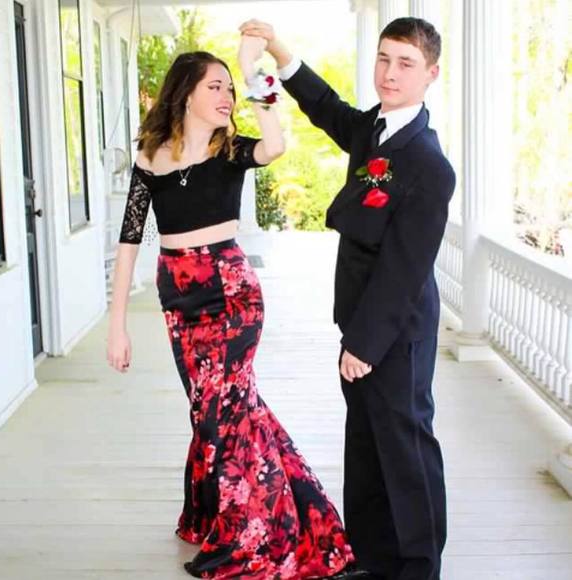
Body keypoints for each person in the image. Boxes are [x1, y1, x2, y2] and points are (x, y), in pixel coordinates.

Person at [106, 36, 354, 579]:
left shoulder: (232, 149)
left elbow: (276, 145)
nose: (226, 97)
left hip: (231, 293)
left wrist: (251, 70)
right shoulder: (150, 156)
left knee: (226, 411)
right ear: (186, 94)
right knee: (215, 410)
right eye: (215, 86)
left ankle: (259, 533)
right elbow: (128, 242)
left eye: (229, 88)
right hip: (178, 296)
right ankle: (273, 515)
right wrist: (116, 324)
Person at [240, 17, 455, 580]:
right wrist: (279, 50)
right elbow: (324, 105)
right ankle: (371, 558)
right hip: (358, 323)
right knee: (366, 444)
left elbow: (405, 269)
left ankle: (418, 567)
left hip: (395, 332)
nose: (390, 73)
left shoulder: (429, 165)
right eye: (384, 59)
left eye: (405, 63)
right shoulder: (372, 130)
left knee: (406, 449)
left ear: (431, 74)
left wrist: (364, 344)